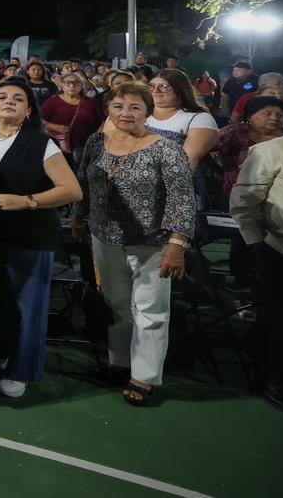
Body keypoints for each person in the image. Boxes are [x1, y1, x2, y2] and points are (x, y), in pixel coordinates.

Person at [73, 81, 195, 406]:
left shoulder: (166, 148)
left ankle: (144, 376)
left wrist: (177, 244)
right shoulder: (96, 142)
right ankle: (120, 361)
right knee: (115, 301)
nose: (126, 113)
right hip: (103, 237)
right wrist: (78, 217)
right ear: (108, 110)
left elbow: (182, 198)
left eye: (134, 107)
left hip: (152, 243)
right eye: (118, 106)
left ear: (147, 111)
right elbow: (84, 181)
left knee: (151, 309)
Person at [0, 80, 82, 398]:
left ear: (29, 110)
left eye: (18, 99)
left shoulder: (40, 143)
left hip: (30, 236)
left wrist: (27, 201)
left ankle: (21, 370)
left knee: (27, 307)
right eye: (2, 97)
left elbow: (72, 190)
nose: (9, 102)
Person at [230, 116, 283, 417]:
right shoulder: (273, 150)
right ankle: (272, 380)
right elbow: (244, 201)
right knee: (280, 322)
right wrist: (256, 245)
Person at [146, 69, 219, 211]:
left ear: (180, 90)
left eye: (163, 86)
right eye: (152, 86)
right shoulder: (138, 115)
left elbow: (186, 164)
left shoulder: (198, 118)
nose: (155, 91)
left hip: (175, 196)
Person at [214, 97, 283, 197]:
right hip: (241, 191)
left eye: (280, 115)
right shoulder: (235, 132)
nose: (274, 118)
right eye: (268, 114)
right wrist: (218, 170)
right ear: (249, 116)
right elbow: (203, 147)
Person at [40, 73, 103, 162]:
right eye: (68, 83)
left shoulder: (90, 102)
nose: (72, 86)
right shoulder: (53, 101)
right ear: (62, 85)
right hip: (59, 145)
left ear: (82, 85)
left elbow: (102, 121)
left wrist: (96, 137)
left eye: (76, 83)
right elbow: (38, 120)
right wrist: (56, 127)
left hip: (85, 146)